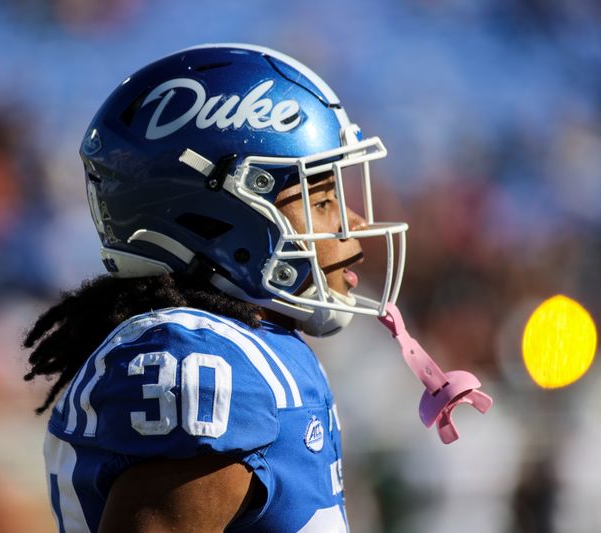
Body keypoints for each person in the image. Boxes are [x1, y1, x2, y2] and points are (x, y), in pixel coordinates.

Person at [23, 43, 408, 532]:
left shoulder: (257, 346)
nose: (351, 227)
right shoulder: (202, 361)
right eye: (324, 197)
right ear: (221, 216)